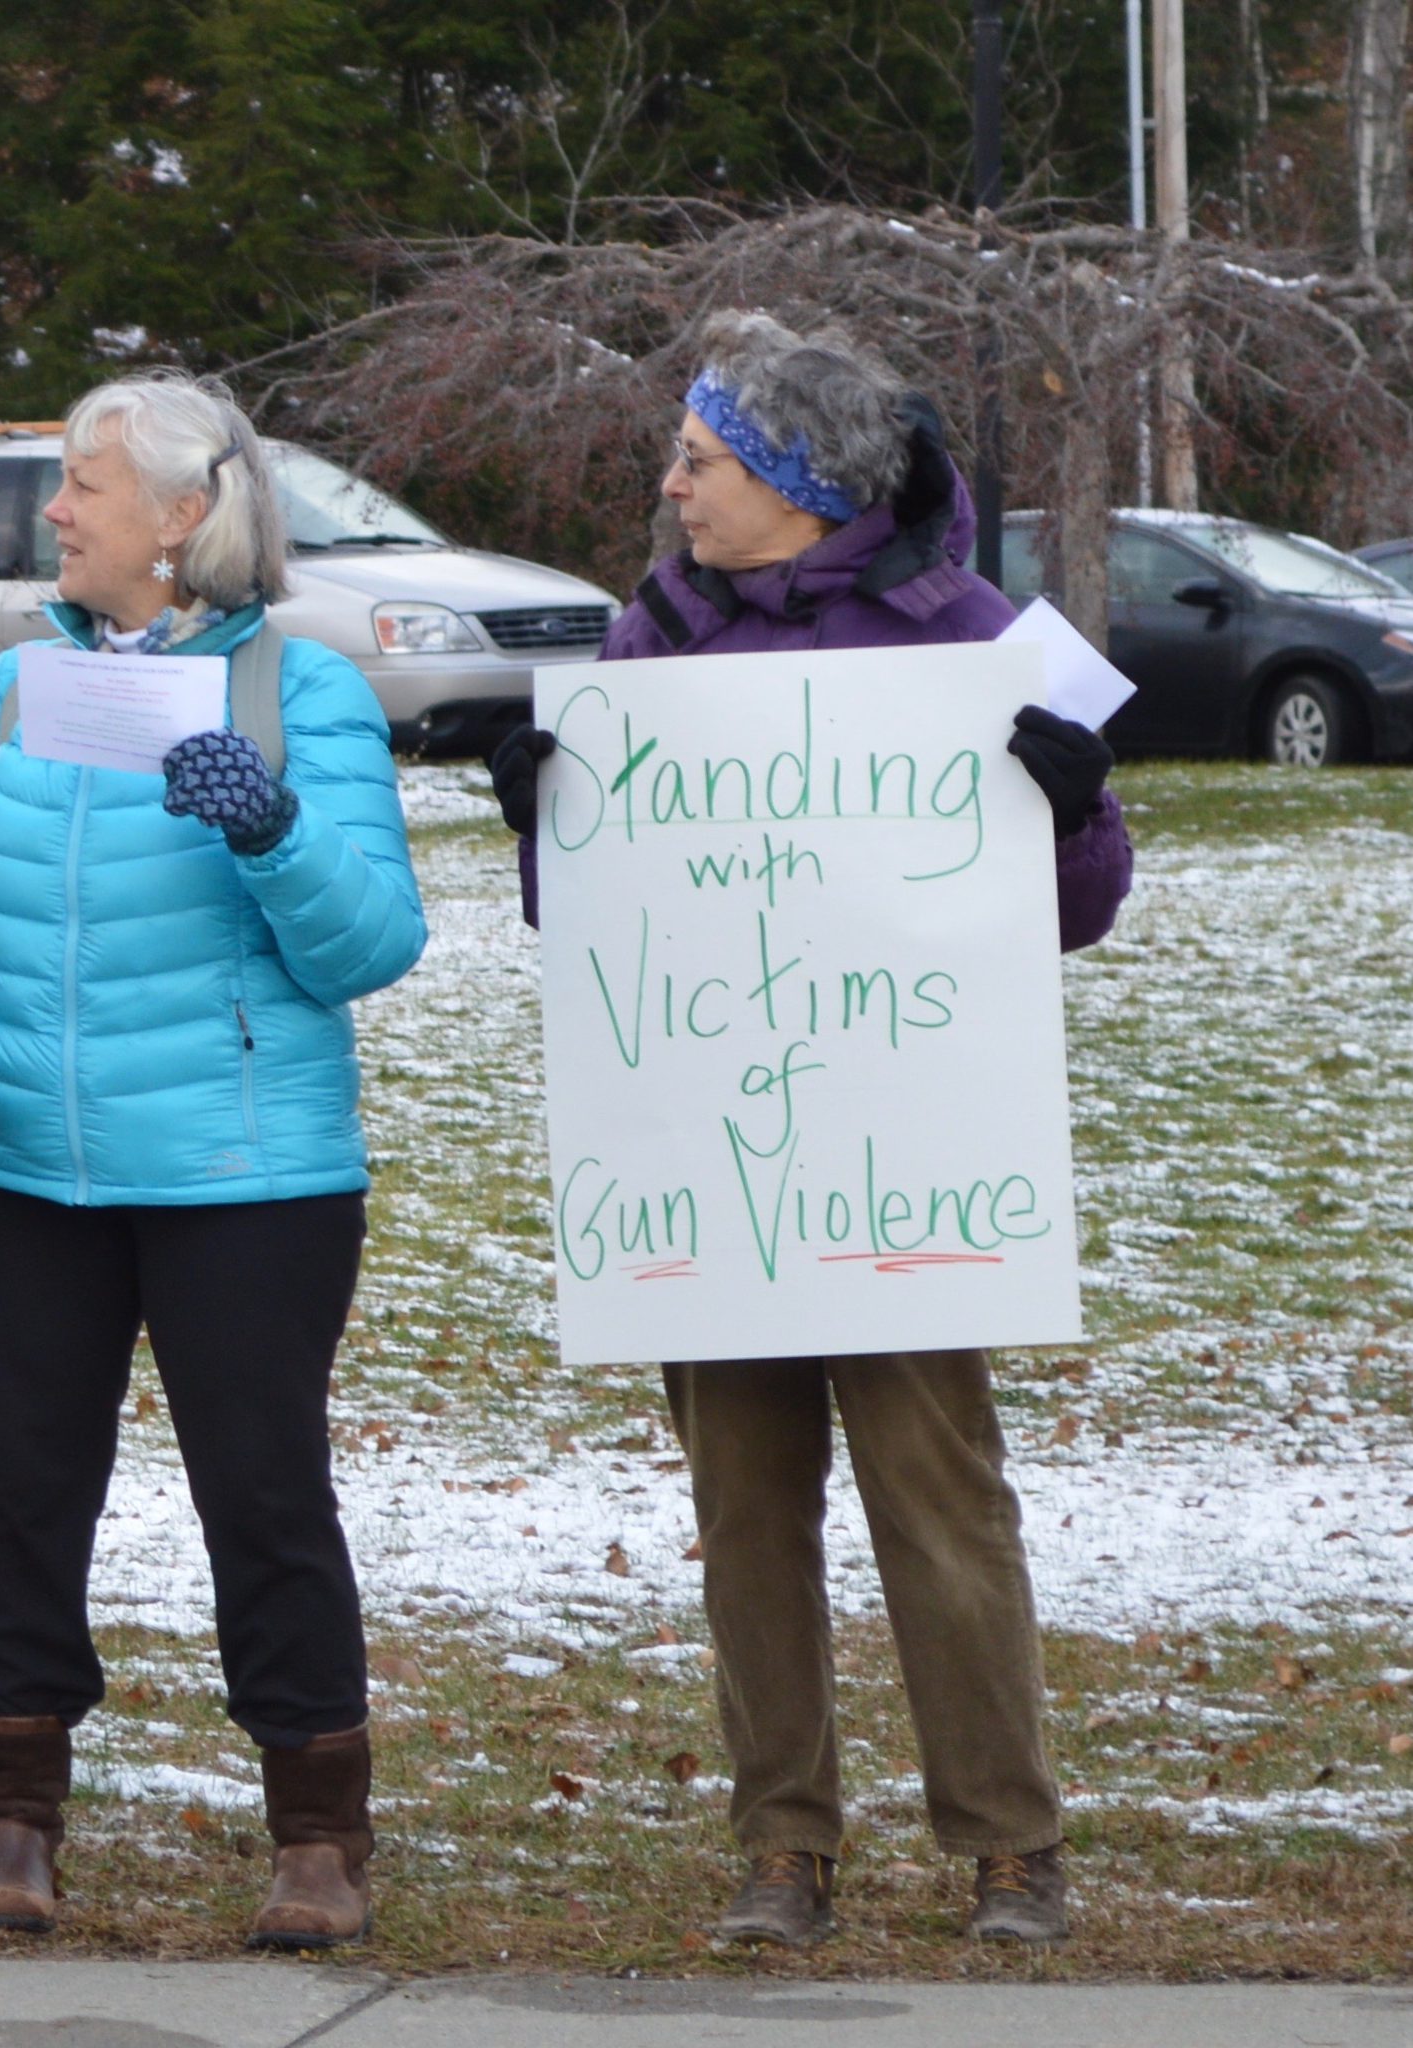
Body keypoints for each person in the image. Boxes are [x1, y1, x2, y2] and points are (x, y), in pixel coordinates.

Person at [491, 311, 1133, 1949]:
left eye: (700, 459)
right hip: (713, 1173)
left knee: (942, 1506)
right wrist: (544, 817)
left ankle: (1010, 1848)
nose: (673, 486)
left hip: (902, 1164)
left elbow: (1076, 908)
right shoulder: (652, 641)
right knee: (746, 1520)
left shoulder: (972, 637)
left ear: (799, 481)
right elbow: (593, 922)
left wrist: (1067, 810)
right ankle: (781, 1848)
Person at [0, 370, 426, 1948]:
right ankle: (13, 1818)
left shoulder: (303, 693)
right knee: (27, 1491)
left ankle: (318, 1838)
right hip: (27, 1165)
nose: (57, 510)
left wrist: (270, 828)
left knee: (264, 1497)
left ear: (183, 516)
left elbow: (371, 943)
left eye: (84, 484)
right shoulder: (18, 692)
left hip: (247, 1176)